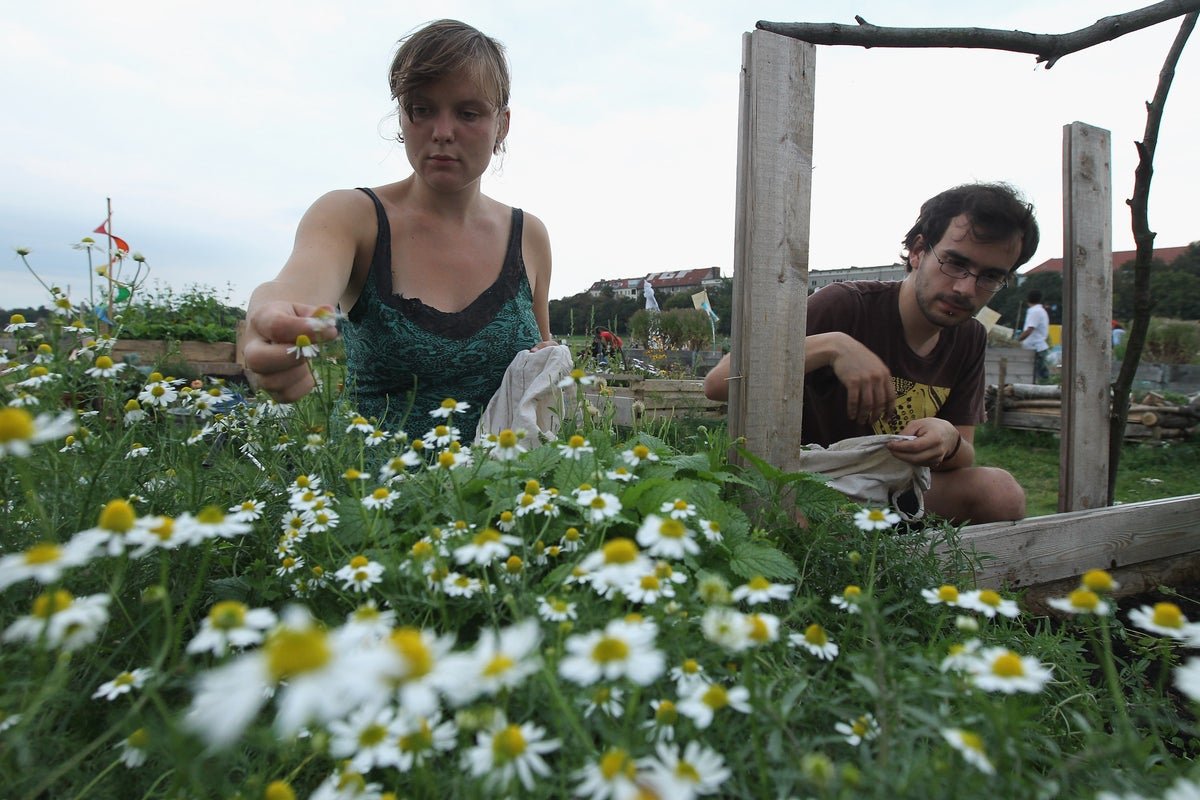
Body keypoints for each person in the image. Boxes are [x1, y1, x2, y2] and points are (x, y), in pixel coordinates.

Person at [242, 20, 556, 440]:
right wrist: (267, 323)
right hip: (368, 480)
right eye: (421, 109)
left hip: (501, 480)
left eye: (468, 113)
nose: (442, 133)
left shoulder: (529, 237)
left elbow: (538, 368)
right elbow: (292, 292)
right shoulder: (351, 217)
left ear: (502, 124)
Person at [705, 183, 1040, 524]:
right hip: (812, 484)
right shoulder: (845, 305)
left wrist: (948, 439)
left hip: (898, 487)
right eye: (954, 263)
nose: (965, 288)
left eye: (990, 276)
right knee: (791, 516)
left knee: (1002, 493)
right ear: (918, 251)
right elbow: (717, 383)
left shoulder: (969, 336)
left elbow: (964, 454)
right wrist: (833, 347)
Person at [1017, 290, 1051, 383]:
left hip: (1036, 348)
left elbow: (1029, 329)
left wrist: (1017, 340)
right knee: (1039, 376)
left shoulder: (1035, 311)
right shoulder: (1040, 310)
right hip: (1036, 347)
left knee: (1039, 377)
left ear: (1028, 299)